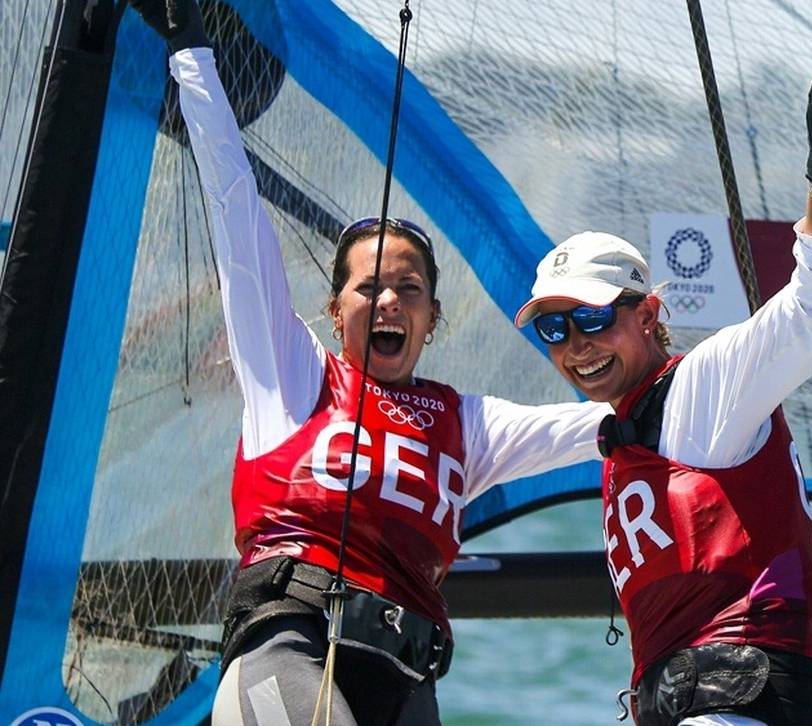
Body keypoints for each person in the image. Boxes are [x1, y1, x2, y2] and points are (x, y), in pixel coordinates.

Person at [128, 2, 609, 724]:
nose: (388, 300)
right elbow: (236, 214)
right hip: (289, 647)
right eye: (368, 287)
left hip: (409, 683)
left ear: (431, 318)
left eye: (408, 289)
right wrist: (192, 56)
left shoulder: (467, 424)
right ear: (334, 312)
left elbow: (621, 418)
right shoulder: (291, 373)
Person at [514, 45, 812, 725]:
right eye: (555, 330)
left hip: (740, 697)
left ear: (649, 315)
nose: (577, 345)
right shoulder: (617, 433)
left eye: (594, 319)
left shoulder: (705, 386)